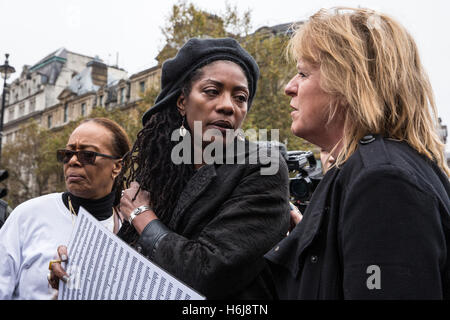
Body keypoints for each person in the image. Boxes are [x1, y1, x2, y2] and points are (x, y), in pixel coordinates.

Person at [265, 7, 450, 299]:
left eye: (303, 73)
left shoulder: (383, 182)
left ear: (349, 83)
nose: (290, 87)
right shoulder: (367, 172)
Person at [111, 38, 289, 300]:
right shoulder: (162, 169)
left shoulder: (263, 167)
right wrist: (79, 273)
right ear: (182, 101)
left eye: (240, 97)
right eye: (212, 91)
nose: (229, 106)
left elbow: (209, 271)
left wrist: (143, 217)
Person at [0, 118, 130, 299]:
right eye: (67, 154)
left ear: (116, 166)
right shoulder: (28, 215)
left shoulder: (129, 230)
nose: (73, 161)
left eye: (88, 155)